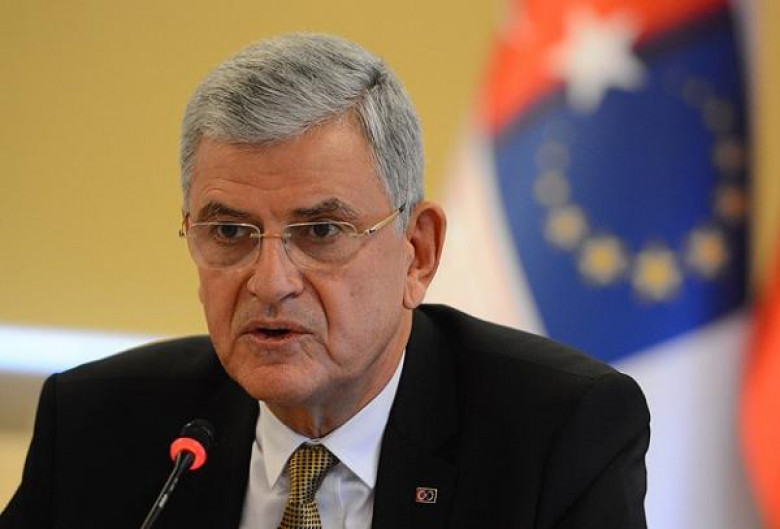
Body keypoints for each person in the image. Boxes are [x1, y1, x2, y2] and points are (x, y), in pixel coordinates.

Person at [1, 33, 649, 528]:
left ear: (418, 253)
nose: (270, 281)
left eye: (320, 231)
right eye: (229, 231)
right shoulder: (97, 426)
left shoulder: (555, 435)